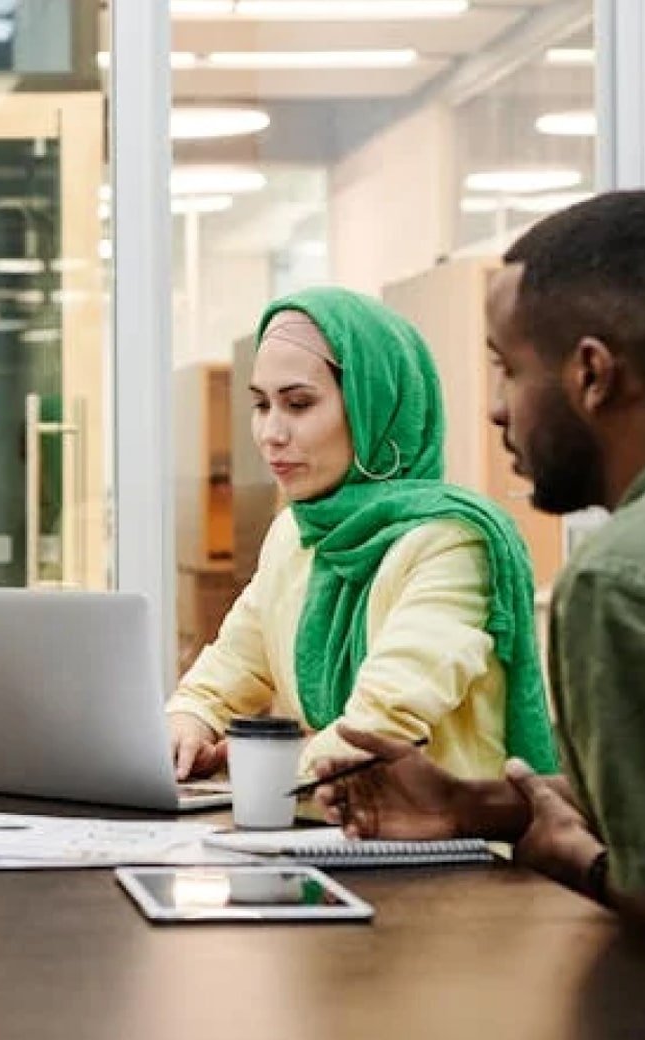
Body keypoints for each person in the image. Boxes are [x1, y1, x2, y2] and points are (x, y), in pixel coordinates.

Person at [311, 191, 645, 960]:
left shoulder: (626, 580)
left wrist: (579, 863)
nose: (496, 410)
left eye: (507, 369)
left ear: (592, 375)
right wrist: (471, 805)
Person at [166, 286, 556, 783]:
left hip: (441, 831)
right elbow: (231, 665)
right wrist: (186, 723)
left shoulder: (453, 543)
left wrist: (259, 764)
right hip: (319, 819)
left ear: (374, 407)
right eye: (261, 405)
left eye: (299, 404)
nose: (271, 434)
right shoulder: (295, 533)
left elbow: (379, 728)